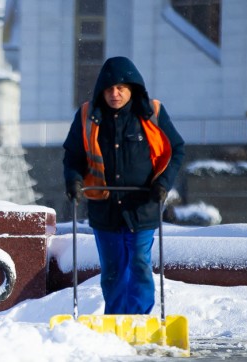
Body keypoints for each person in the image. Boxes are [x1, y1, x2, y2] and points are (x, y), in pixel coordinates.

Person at [62, 56, 185, 315]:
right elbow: (73, 155)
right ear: (101, 91)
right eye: (109, 89)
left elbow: (176, 149)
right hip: (104, 210)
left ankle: (140, 317)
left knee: (140, 263)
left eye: (121, 88)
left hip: (142, 207)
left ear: (132, 88)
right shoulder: (87, 116)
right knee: (113, 269)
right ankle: (116, 318)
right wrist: (73, 181)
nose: (115, 94)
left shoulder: (152, 114)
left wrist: (163, 183)